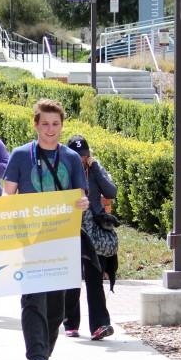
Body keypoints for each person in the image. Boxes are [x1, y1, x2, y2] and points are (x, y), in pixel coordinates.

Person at [2, 99, 90, 360]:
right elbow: (8, 195)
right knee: (32, 298)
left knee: (57, 304)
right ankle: (36, 357)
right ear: (36, 124)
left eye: (55, 124)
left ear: (61, 125)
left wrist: (83, 205)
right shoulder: (20, 156)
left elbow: (80, 196)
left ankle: (45, 353)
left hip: (63, 239)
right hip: (31, 239)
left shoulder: (71, 159)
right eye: (45, 124)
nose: (50, 129)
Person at [62, 136, 117, 341]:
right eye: (77, 156)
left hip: (92, 230)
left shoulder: (94, 169)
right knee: (72, 277)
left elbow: (111, 191)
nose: (81, 159)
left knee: (94, 277)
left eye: (84, 156)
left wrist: (94, 169)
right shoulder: (61, 170)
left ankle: (100, 324)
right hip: (68, 227)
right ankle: (70, 322)